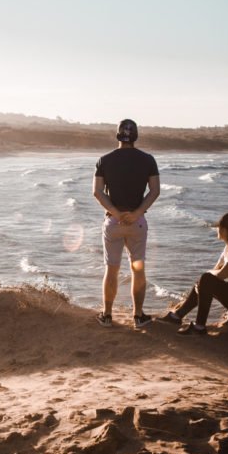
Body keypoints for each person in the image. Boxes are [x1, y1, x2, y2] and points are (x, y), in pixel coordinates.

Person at [93, 118, 160, 329]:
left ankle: (106, 315)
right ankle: (138, 317)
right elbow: (155, 191)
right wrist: (138, 212)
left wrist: (115, 213)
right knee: (137, 269)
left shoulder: (104, 160)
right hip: (137, 222)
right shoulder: (147, 160)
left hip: (113, 222)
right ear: (136, 136)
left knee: (111, 270)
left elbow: (97, 192)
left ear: (117, 135)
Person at [159, 212, 228, 335]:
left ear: (225, 230)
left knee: (206, 279)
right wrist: (202, 282)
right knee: (205, 280)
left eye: (219, 227)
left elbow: (221, 275)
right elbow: (215, 270)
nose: (217, 229)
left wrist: (205, 279)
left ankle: (199, 327)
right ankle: (177, 317)